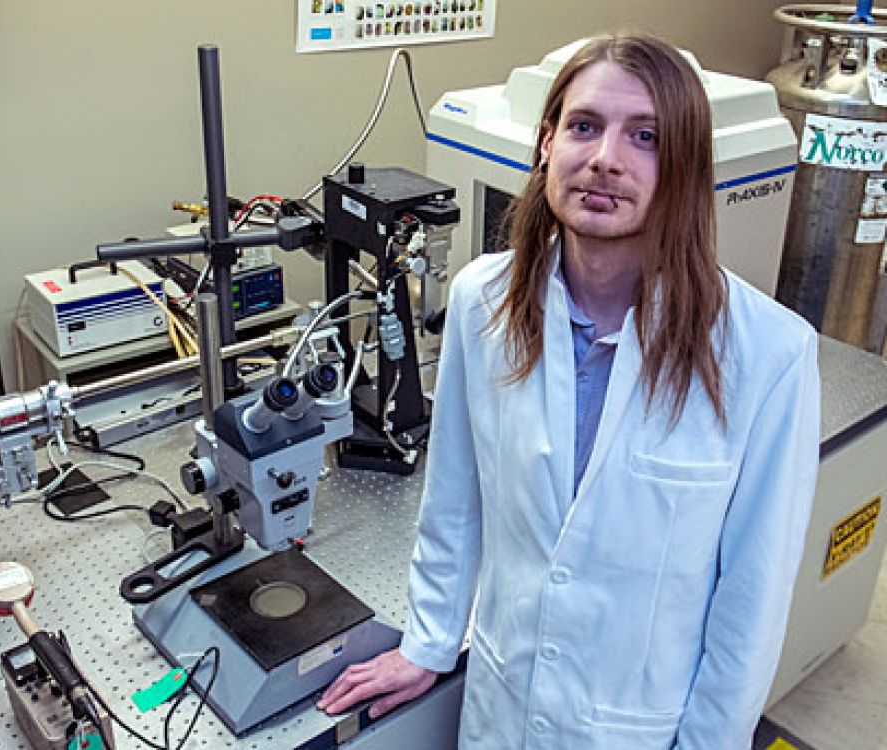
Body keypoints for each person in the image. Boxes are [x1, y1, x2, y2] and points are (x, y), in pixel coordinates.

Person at [318, 33, 820, 749]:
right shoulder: (481, 302)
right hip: (500, 710)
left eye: (645, 136)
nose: (606, 158)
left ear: (684, 167)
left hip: (638, 731)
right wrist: (428, 641)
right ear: (547, 143)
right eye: (584, 126)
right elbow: (455, 497)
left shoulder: (768, 356)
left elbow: (752, 598)